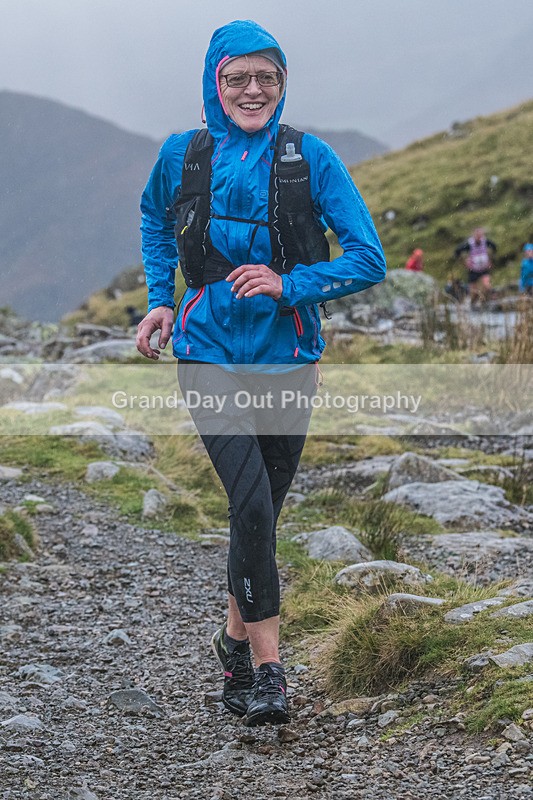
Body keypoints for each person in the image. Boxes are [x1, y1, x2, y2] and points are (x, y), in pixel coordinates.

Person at [136, 19, 386, 726]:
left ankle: (231, 643)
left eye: (266, 77)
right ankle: (271, 672)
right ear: (214, 82)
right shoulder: (183, 155)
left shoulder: (310, 159)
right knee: (249, 505)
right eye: (237, 76)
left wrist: (291, 285)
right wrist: (160, 300)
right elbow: (154, 218)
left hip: (288, 356)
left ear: (281, 84)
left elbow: (368, 258)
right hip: (206, 349)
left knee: (262, 516)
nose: (253, 89)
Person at [454, 227, 497, 306]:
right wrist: (464, 261)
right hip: (473, 270)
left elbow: (495, 248)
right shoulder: (469, 244)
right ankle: (472, 305)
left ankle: (487, 301)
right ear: (474, 235)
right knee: (473, 292)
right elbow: (457, 251)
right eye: (477, 235)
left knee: (487, 285)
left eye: (480, 235)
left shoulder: (486, 242)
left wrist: (491, 260)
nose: (479, 237)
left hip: (484, 268)